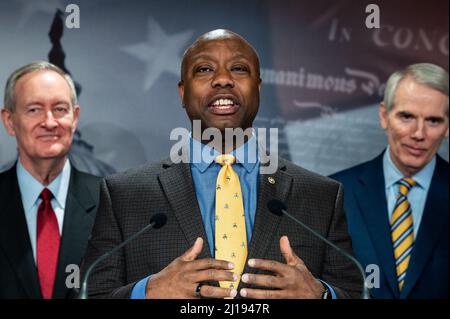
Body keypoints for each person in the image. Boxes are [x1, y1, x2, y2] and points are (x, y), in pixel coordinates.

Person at [81, 29, 361, 299]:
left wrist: (322, 295)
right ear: (182, 91)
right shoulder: (124, 194)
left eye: (239, 69)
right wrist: (146, 293)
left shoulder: (320, 195)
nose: (223, 79)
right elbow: (90, 293)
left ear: (258, 88)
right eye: (204, 69)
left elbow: (356, 293)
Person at [331, 63, 449, 299]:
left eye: (433, 121)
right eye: (407, 116)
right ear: (384, 116)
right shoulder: (336, 193)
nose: (418, 133)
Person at [0, 61, 101, 299]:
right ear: (9, 121)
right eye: (34, 109)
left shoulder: (111, 200)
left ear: (75, 117)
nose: (49, 122)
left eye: (59, 109)